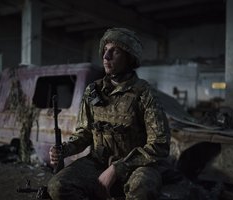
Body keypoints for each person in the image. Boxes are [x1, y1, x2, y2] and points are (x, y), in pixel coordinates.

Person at [47, 27, 171, 200]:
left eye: (115, 51)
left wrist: (117, 168)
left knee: (143, 189)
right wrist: (65, 150)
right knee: (57, 186)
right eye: (105, 50)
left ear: (129, 58)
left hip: (136, 166)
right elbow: (84, 133)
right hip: (97, 163)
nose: (106, 57)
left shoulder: (144, 93)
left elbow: (159, 145)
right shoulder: (93, 91)